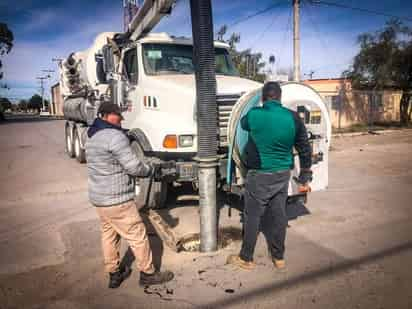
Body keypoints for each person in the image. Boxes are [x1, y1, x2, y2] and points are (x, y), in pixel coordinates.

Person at [85, 102, 174, 288]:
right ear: (106, 115)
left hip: (99, 200)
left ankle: (114, 274)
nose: (121, 119)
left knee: (109, 235)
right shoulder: (115, 137)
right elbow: (133, 167)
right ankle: (148, 273)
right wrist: (151, 170)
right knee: (137, 234)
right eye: (118, 115)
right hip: (117, 200)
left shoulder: (92, 136)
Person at [227, 81, 312, 270]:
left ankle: (246, 258)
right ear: (280, 98)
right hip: (282, 174)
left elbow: (243, 124)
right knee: (279, 215)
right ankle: (279, 257)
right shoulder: (293, 117)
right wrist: (306, 172)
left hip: (259, 175)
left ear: (263, 97)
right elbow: (305, 147)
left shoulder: (255, 115)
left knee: (252, 216)